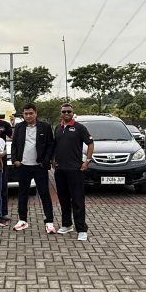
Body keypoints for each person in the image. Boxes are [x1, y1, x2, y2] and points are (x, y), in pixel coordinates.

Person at [10, 103, 56, 233]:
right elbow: (14, 145)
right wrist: (15, 160)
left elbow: (50, 145)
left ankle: (49, 222)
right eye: (26, 113)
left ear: (36, 113)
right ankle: (22, 220)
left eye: (31, 113)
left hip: (39, 167)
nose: (28, 116)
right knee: (22, 194)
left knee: (44, 194)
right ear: (23, 115)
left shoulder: (45, 127)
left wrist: (45, 161)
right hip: (23, 166)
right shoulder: (19, 127)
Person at [52, 103, 94, 241]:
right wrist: (53, 160)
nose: (66, 113)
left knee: (77, 200)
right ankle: (67, 225)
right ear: (61, 113)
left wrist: (87, 161)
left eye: (69, 111)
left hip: (75, 170)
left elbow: (90, 143)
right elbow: (55, 146)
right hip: (60, 170)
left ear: (72, 112)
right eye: (64, 111)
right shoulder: (58, 128)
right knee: (63, 199)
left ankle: (81, 229)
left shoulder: (79, 128)